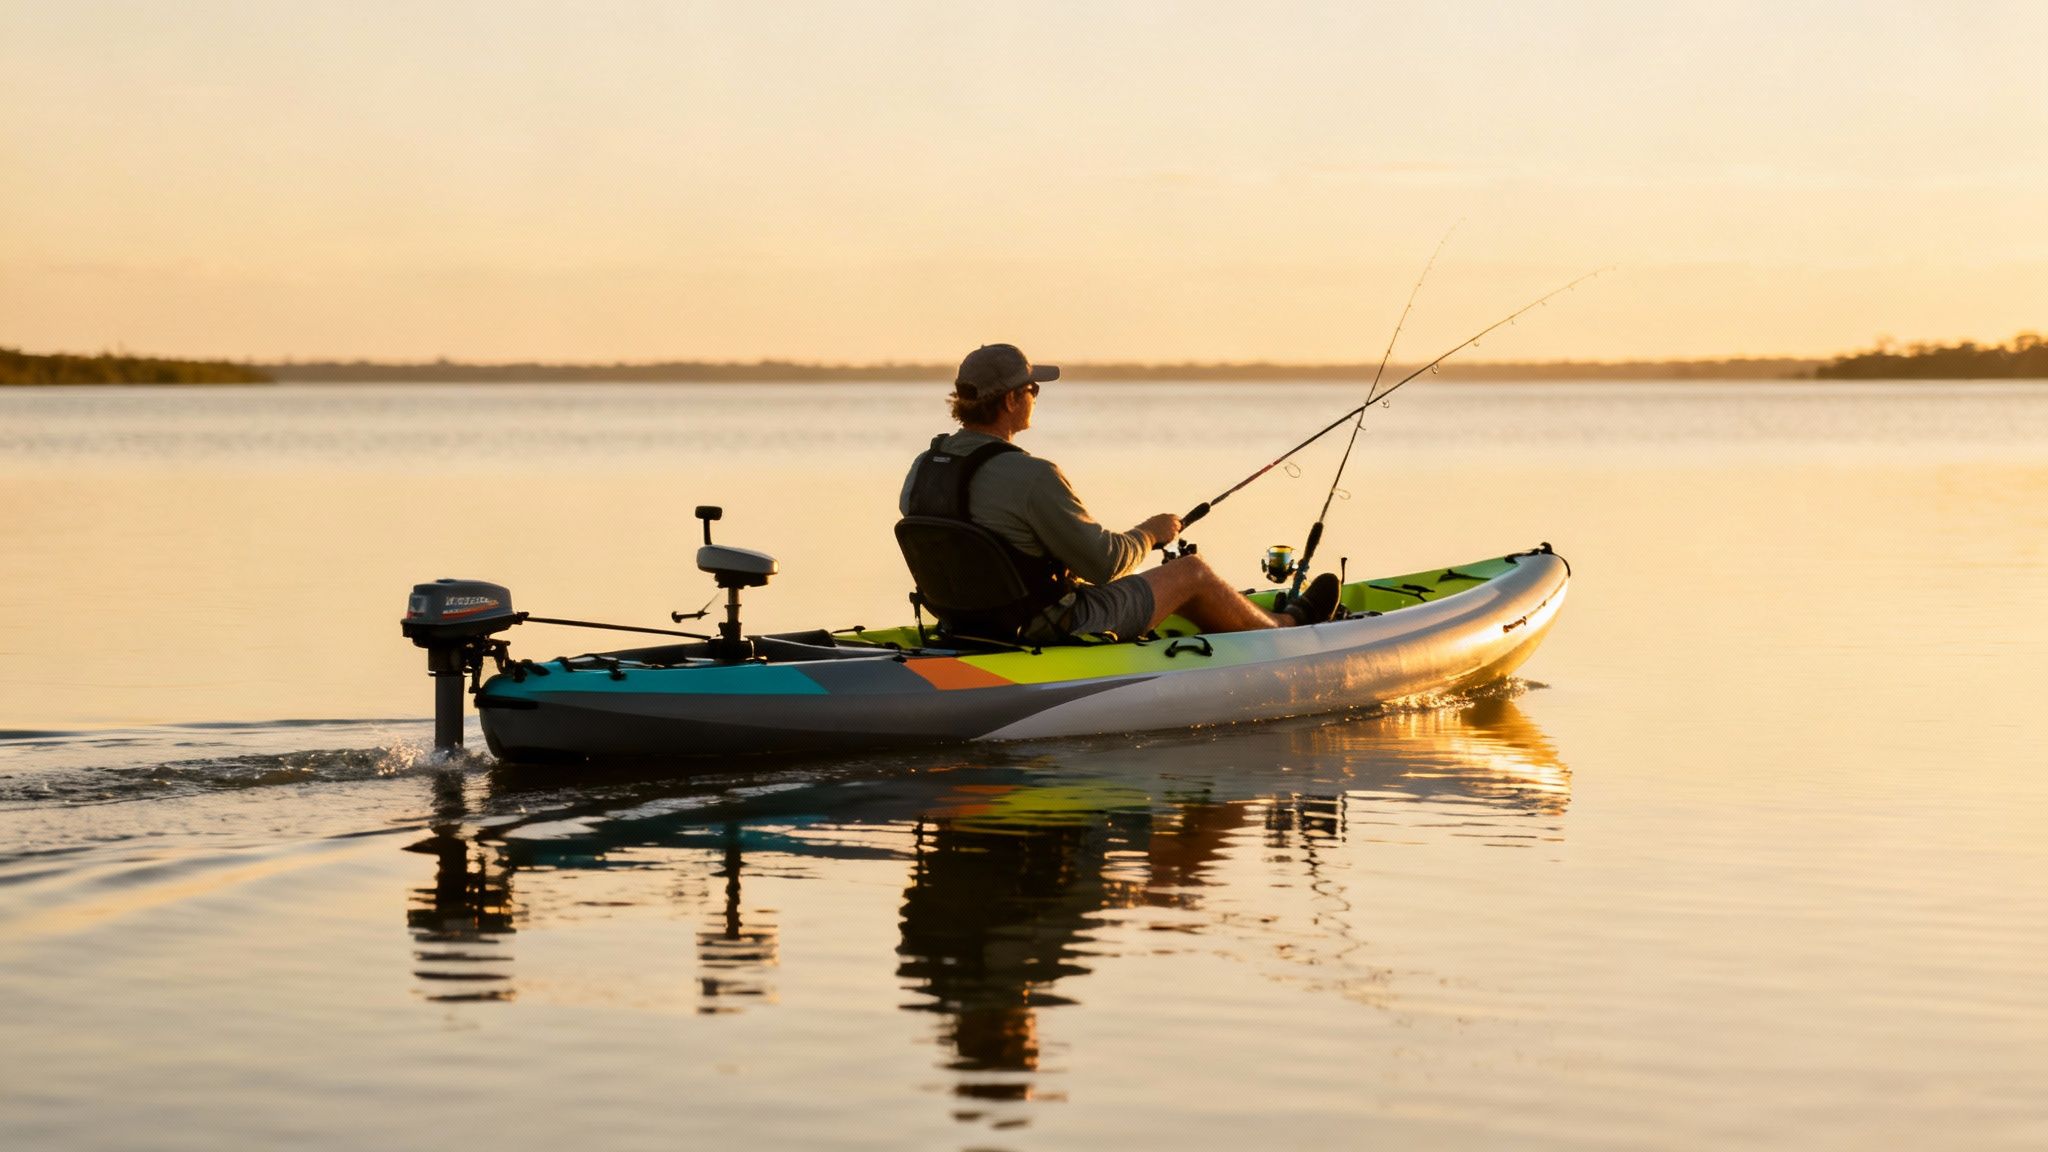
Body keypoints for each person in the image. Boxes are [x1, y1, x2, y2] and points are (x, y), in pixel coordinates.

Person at [897, 343, 1339, 645]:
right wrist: (1149, 533)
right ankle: (1285, 627)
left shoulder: (923, 467)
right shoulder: (1032, 475)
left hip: (962, 625)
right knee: (1192, 573)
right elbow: (1104, 564)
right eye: (1032, 389)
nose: (1036, 397)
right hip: (1046, 629)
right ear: (1011, 401)